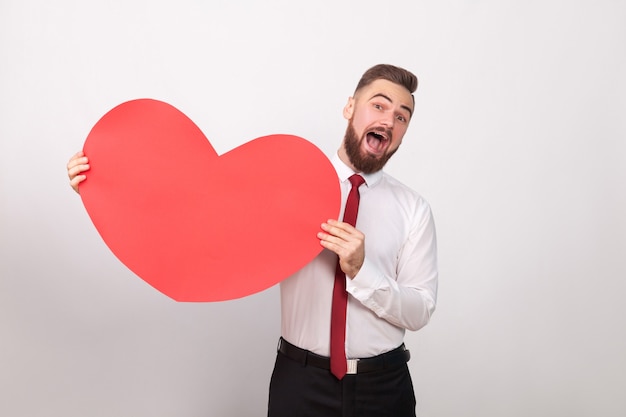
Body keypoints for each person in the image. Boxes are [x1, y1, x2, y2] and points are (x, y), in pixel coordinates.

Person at [66, 64, 438, 417]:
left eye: (402, 116)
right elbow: (194, 213)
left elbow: (420, 310)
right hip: (300, 382)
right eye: (379, 105)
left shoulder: (414, 210)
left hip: (384, 387)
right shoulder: (287, 183)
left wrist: (362, 271)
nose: (389, 120)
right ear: (350, 107)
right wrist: (104, 178)